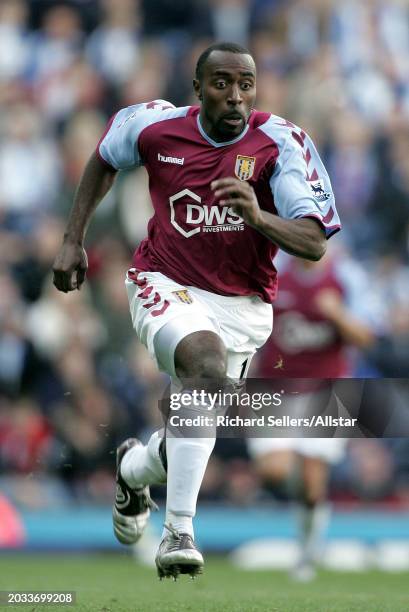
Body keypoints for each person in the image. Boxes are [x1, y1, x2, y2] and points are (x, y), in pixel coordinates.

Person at [52, 41, 340, 580]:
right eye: (222, 83)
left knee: (199, 413)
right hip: (163, 280)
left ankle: (135, 470)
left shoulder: (281, 143)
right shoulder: (154, 128)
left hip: (244, 307)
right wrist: (73, 240)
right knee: (203, 365)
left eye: (246, 85)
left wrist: (257, 216)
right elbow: (103, 159)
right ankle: (178, 530)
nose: (235, 97)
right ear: (198, 88)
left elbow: (312, 240)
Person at [248, 250, 375, 581]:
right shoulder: (272, 269)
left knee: (312, 483)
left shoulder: (348, 276)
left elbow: (367, 337)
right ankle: (298, 480)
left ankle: (306, 553)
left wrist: (337, 314)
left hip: (327, 390)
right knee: (275, 470)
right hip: (275, 387)